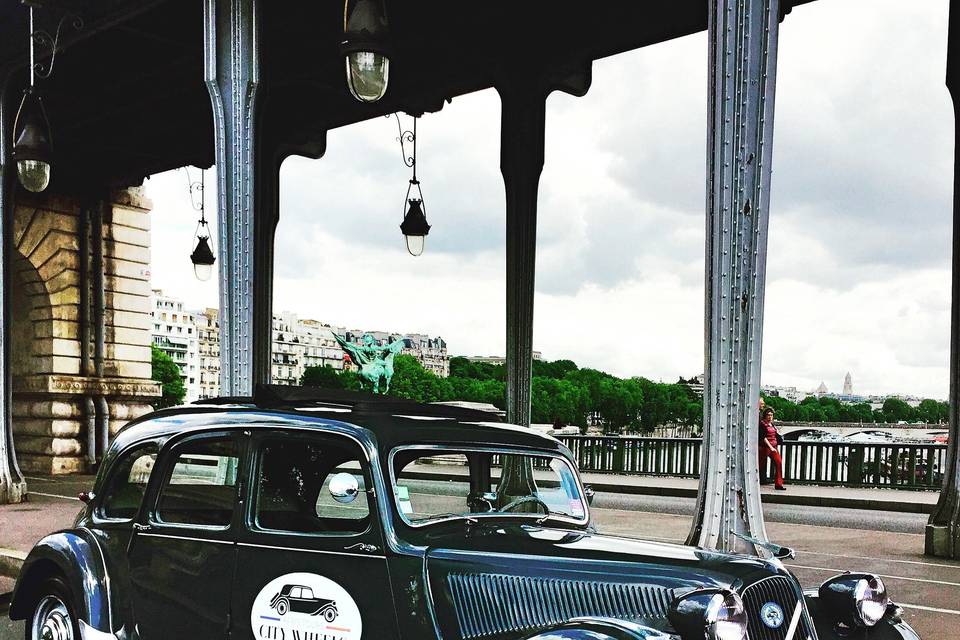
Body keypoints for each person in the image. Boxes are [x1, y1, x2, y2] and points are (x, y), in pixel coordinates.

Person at [758, 407, 785, 490]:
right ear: (765, 416)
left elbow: (775, 435)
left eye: (771, 415)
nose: (770, 417)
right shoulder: (762, 425)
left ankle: (779, 484)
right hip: (765, 448)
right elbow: (763, 437)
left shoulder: (772, 425)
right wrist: (770, 447)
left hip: (774, 447)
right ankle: (754, 481)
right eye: (768, 415)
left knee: (779, 463)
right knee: (759, 465)